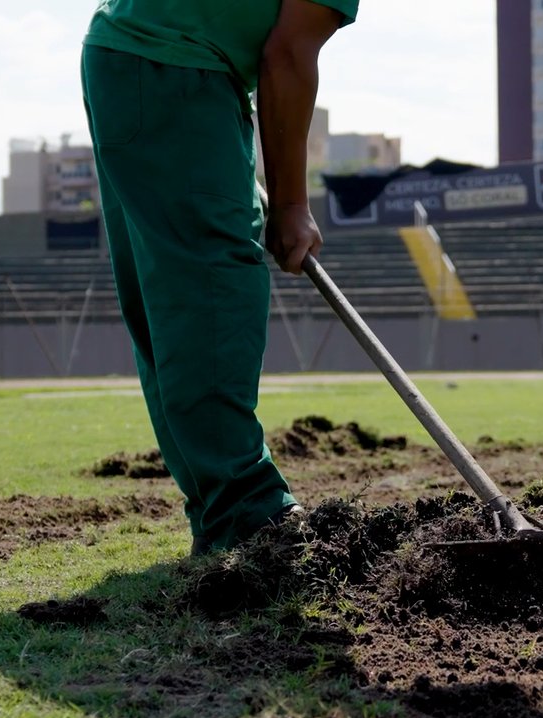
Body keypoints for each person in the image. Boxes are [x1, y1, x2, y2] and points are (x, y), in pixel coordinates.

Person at [81, 0, 356, 554]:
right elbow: (288, 54)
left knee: (178, 301)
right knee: (212, 291)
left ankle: (222, 508)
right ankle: (246, 514)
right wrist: (291, 205)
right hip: (175, 70)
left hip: (138, 61)